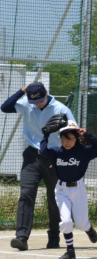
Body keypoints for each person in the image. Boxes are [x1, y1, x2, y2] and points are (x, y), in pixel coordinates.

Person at [1, 82, 76, 250]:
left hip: (54, 156)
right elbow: (5, 107)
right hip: (32, 156)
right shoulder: (27, 104)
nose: (38, 103)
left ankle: (54, 237)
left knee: (54, 198)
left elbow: (74, 133)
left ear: (46, 92)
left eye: (40, 99)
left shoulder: (61, 109)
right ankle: (21, 237)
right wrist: (22, 90)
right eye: (34, 100)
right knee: (26, 194)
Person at [39, 120, 97, 259]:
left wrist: (86, 134)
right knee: (66, 221)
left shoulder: (83, 152)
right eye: (64, 138)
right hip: (62, 190)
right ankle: (70, 251)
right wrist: (46, 134)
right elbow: (43, 150)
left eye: (71, 139)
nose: (67, 142)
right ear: (60, 138)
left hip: (79, 190)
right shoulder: (57, 152)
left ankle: (88, 229)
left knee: (81, 223)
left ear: (76, 139)